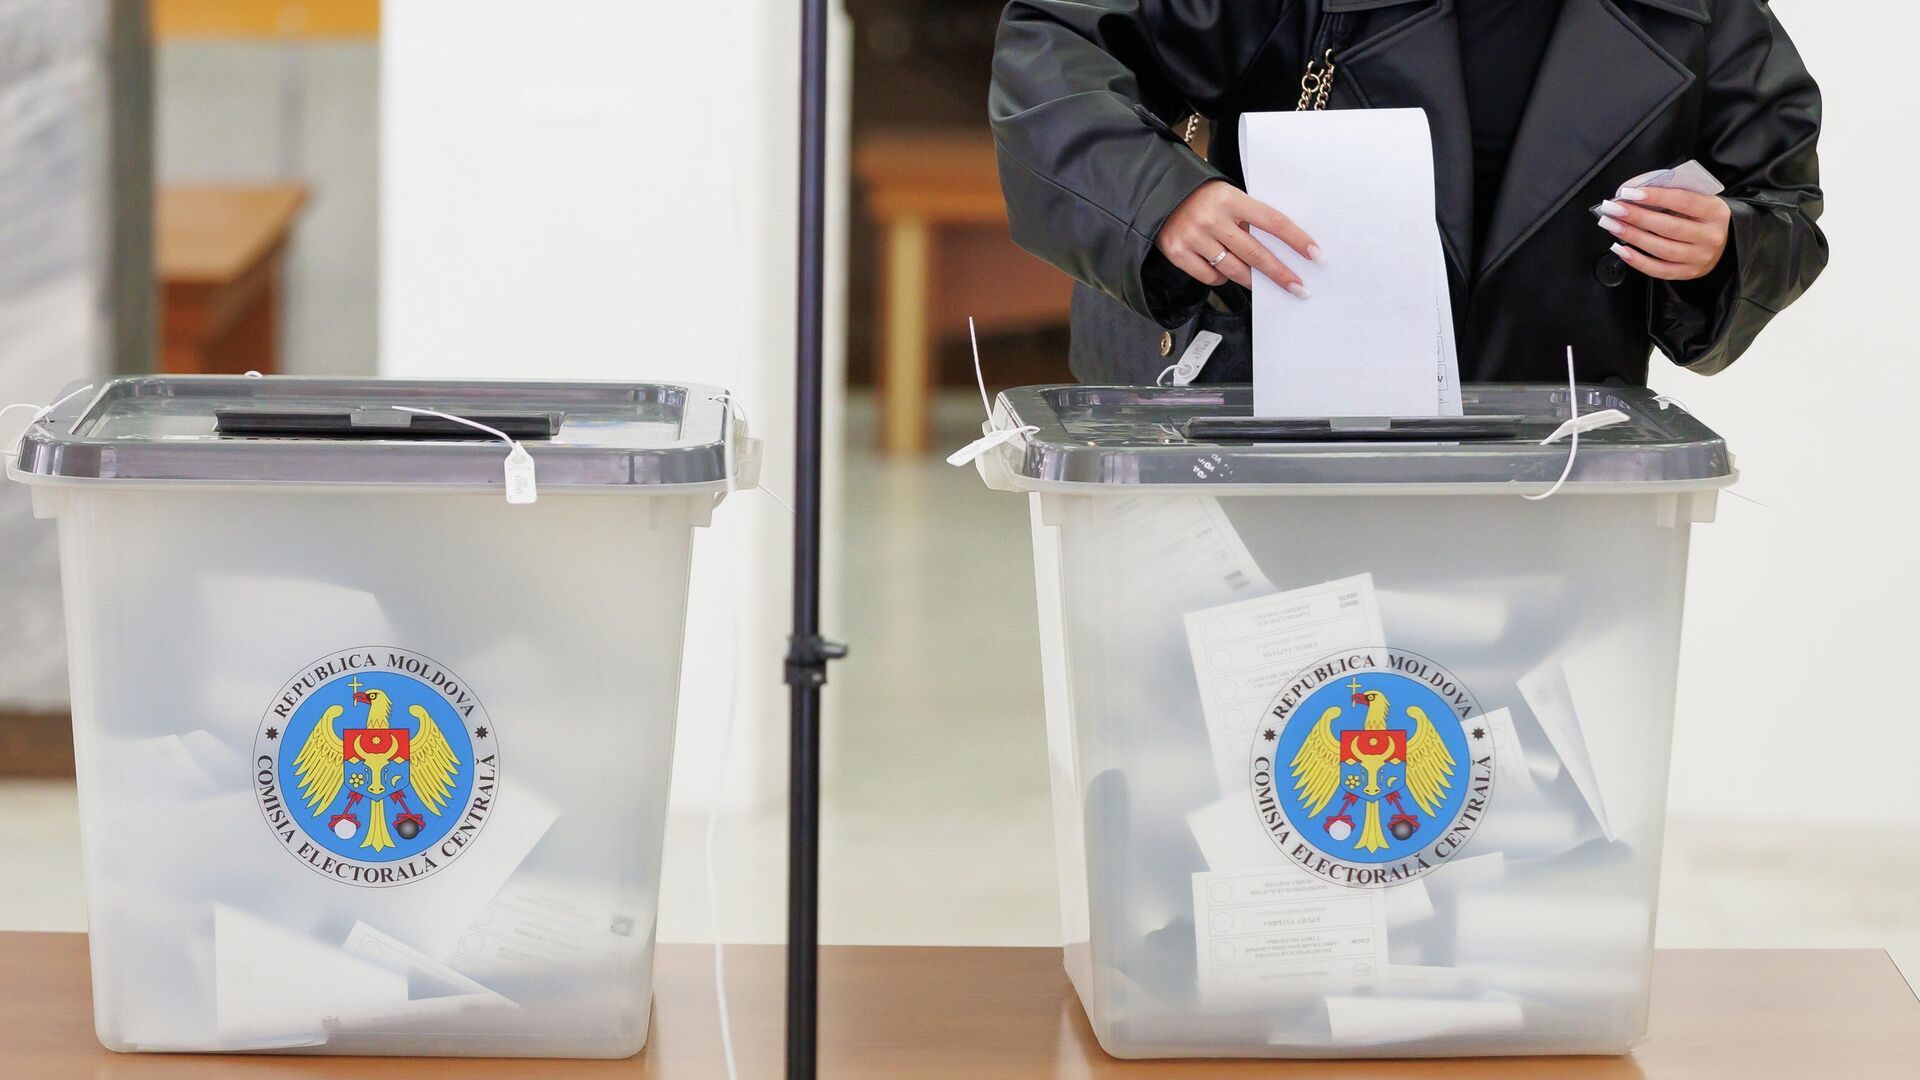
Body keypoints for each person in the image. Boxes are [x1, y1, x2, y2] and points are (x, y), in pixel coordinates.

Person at [988, 0, 1826, 386]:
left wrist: (1724, 245)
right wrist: (1162, 199)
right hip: (1282, 438)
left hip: (1556, 467)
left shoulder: (1701, 12)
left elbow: (1780, 197)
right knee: (1286, 698)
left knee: (1505, 705)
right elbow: (1053, 48)